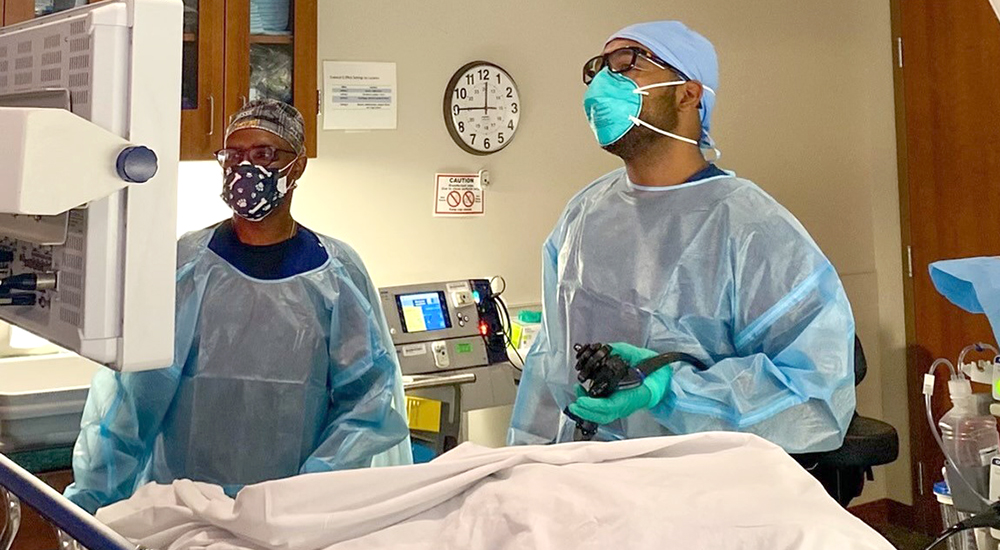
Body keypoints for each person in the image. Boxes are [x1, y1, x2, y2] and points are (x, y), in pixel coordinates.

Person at [508, 21, 856, 454]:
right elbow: (549, 364)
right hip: (581, 479)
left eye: (626, 65)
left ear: (689, 93)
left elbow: (817, 396)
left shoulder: (750, 227)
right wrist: (524, 459)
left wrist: (673, 391)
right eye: (598, 70)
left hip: (696, 491)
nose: (601, 86)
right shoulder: (583, 214)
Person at [64, 100, 412, 514]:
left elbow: (367, 404)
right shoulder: (187, 266)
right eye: (234, 155)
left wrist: (303, 494)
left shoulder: (335, 277)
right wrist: (90, 506)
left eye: (264, 154)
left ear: (297, 165)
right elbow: (131, 405)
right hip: (186, 513)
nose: (246, 169)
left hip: (288, 518)